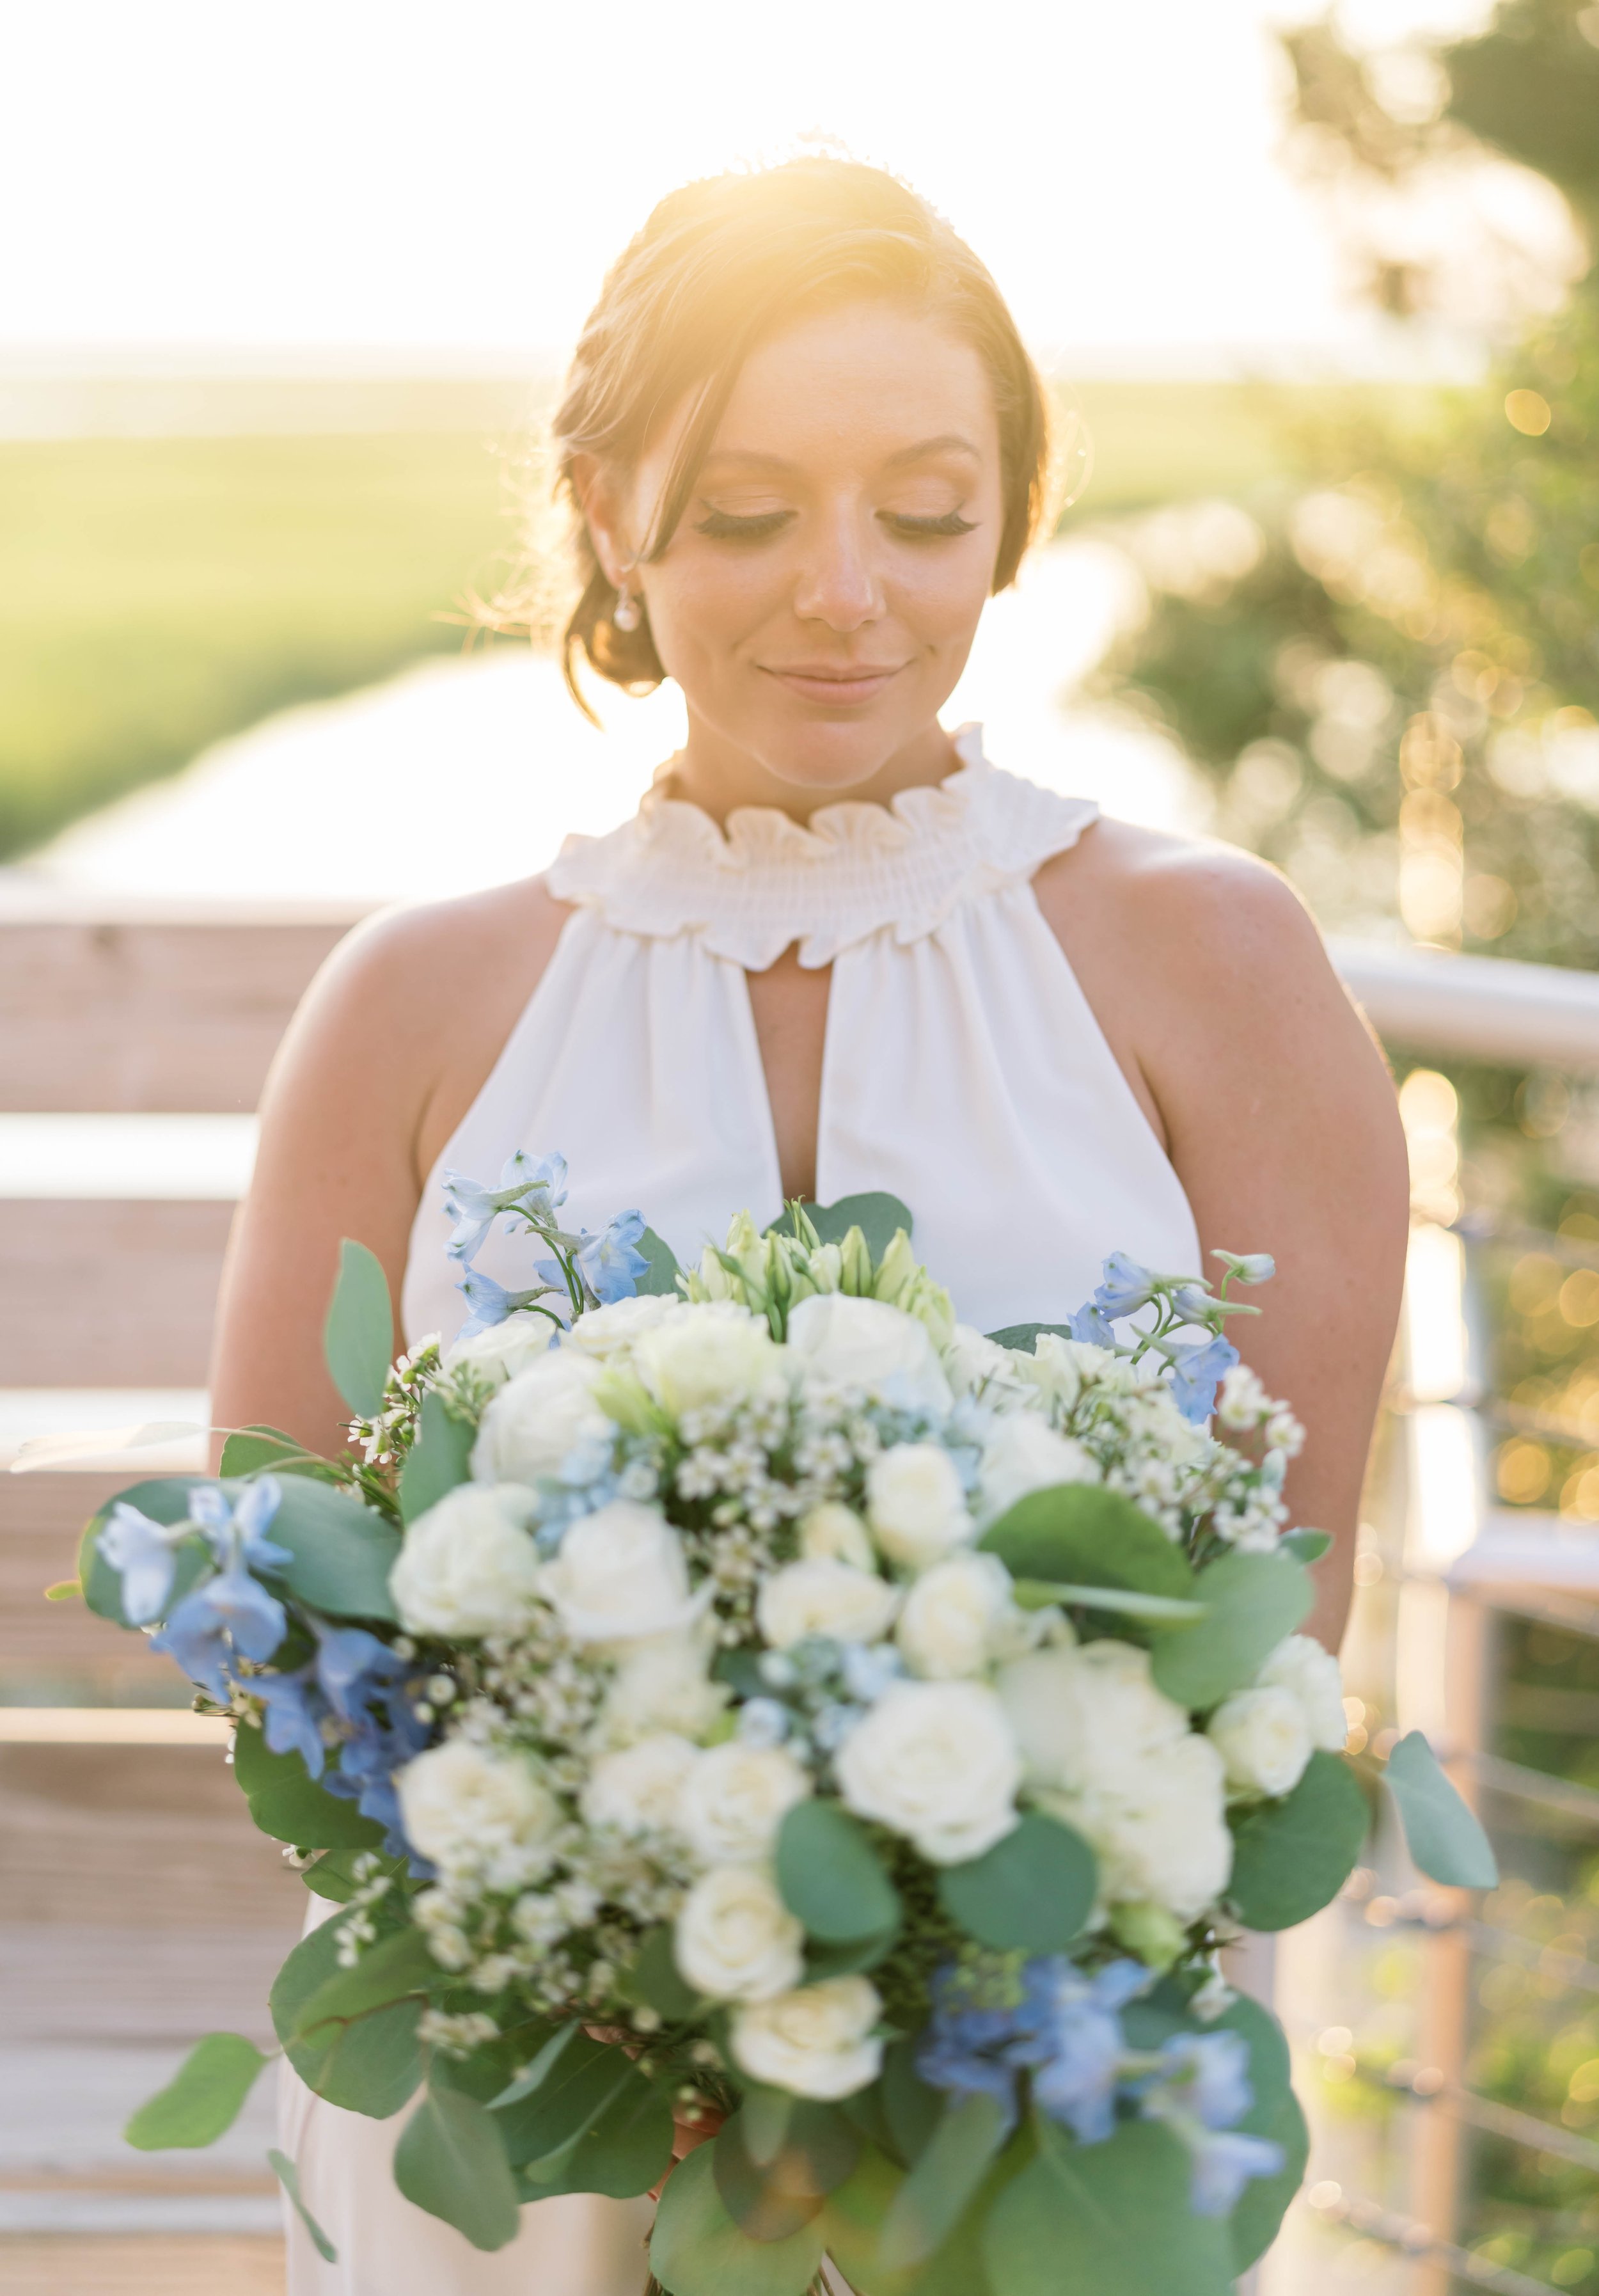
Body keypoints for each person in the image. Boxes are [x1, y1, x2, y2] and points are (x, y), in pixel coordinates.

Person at [210, 157, 1410, 2295]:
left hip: (1023, 2089)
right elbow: (282, 1626)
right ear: (606, 510)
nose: (842, 592)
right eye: (749, 514)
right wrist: (608, 1941)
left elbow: (1268, 1629)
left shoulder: (1212, 966)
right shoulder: (412, 1002)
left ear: (1017, 519)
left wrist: (914, 1949)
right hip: (520, 2106)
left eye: (924, 512)